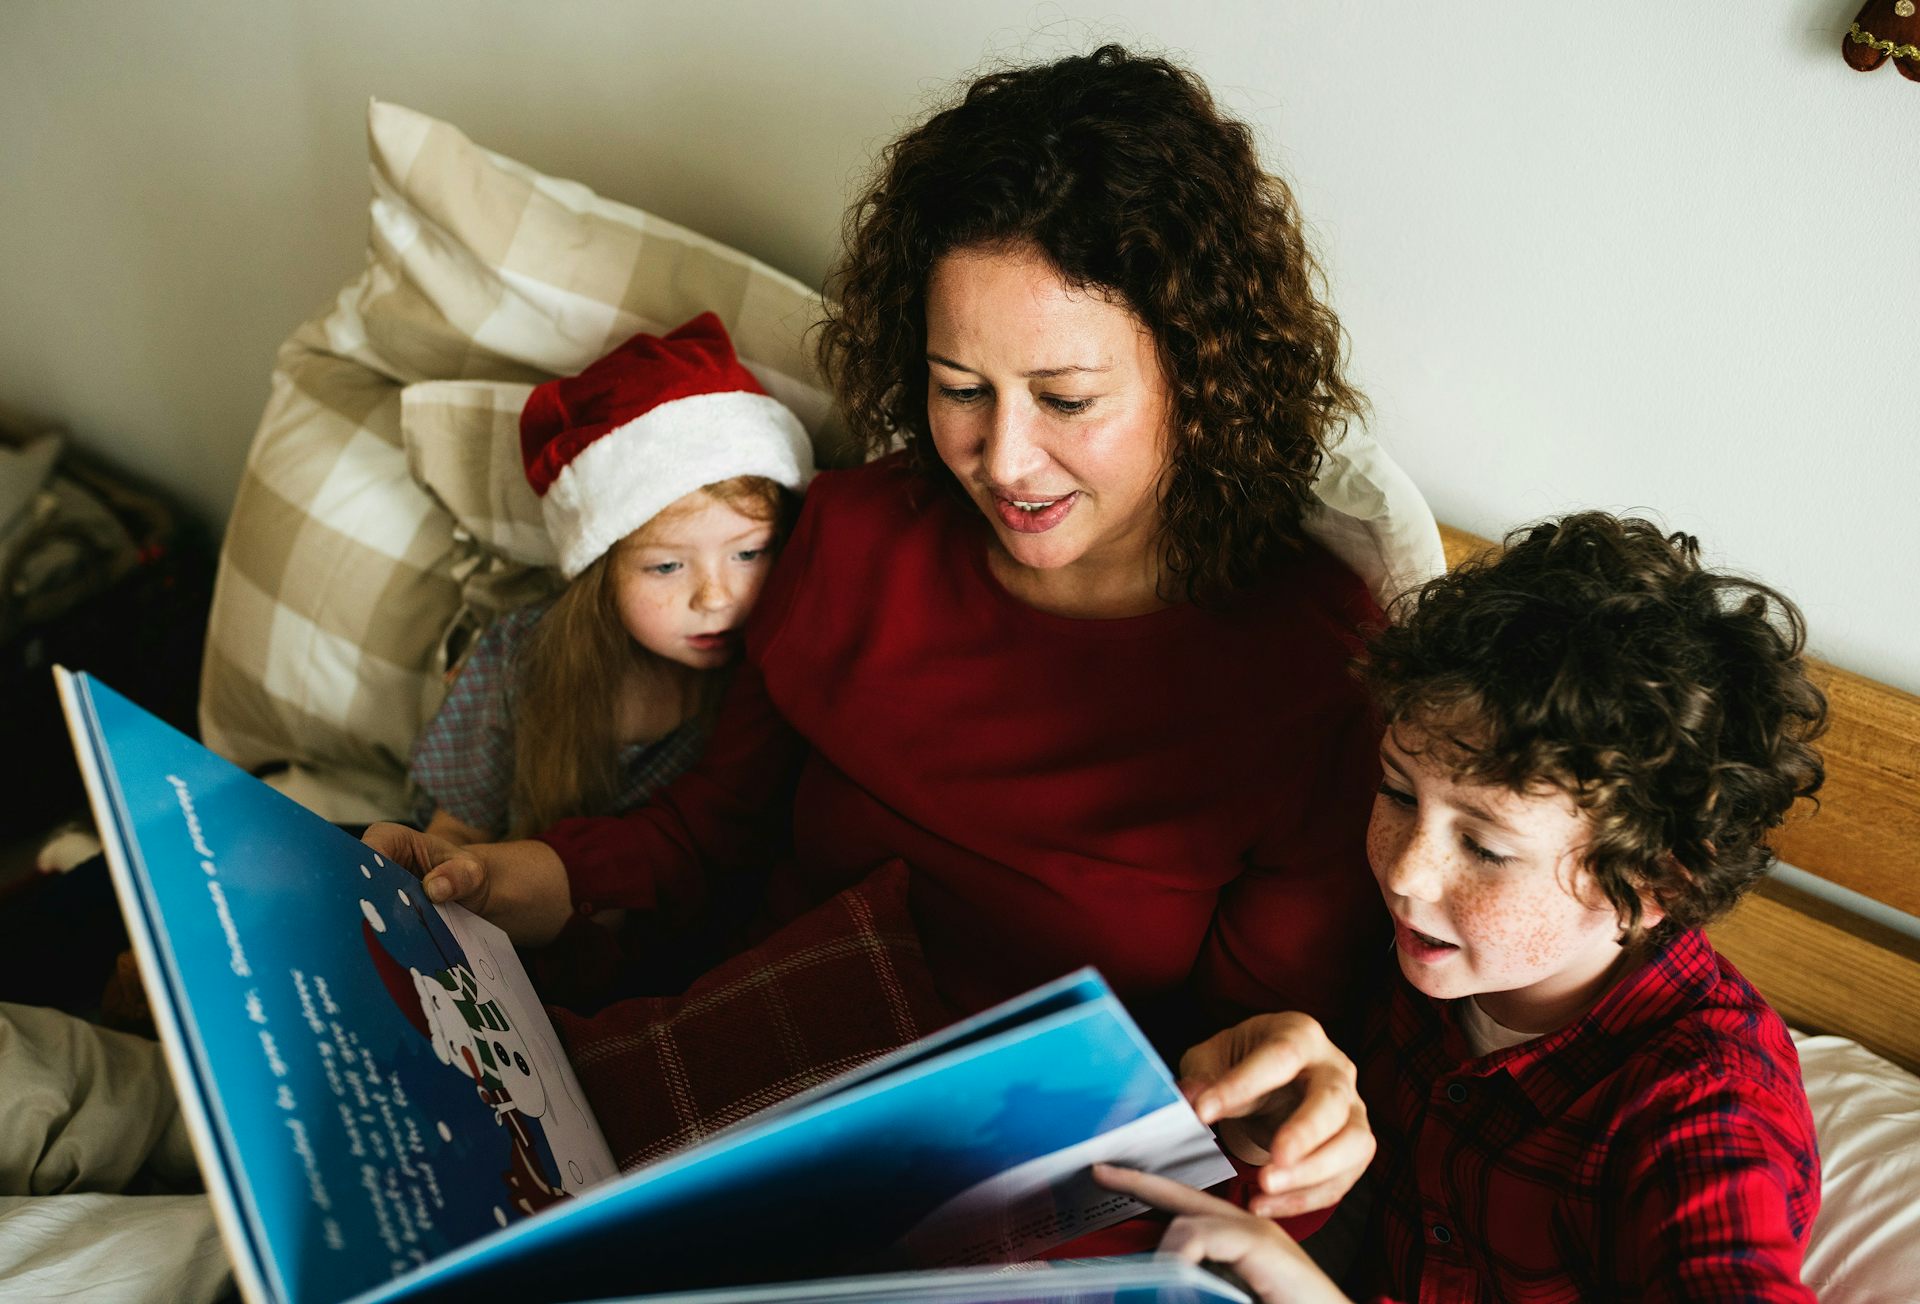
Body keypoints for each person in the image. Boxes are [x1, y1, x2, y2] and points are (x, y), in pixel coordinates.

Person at [365, 44, 1388, 1211]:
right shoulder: (857, 536)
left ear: (1198, 378)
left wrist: (1289, 1119)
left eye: (1065, 399)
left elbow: (1248, 1063)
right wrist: (506, 882)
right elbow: (709, 838)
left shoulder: (1310, 673)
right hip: (722, 1088)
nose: (1001, 462)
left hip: (1009, 1184)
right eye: (960, 387)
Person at [1099, 512, 1828, 1300]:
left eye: (1486, 848)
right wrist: (1259, 1128)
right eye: (1398, 793)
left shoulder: (1705, 1106)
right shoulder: (1416, 953)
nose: (1409, 872)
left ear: (1659, 884)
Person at [409, 311, 811, 846]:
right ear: (600, 573)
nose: (716, 598)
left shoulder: (772, 682)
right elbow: (455, 833)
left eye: (750, 553)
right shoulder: (519, 660)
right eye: (666, 566)